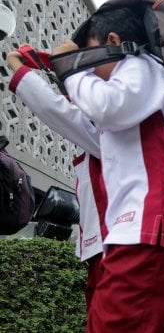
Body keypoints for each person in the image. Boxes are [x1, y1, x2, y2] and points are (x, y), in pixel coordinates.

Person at [43, 7, 164, 332]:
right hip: (162, 231)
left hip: (151, 227)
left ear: (113, 41)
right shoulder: (146, 82)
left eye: (91, 58)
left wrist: (71, 66)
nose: (91, 74)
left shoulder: (139, 64)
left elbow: (106, 106)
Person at [7, 49, 106, 310]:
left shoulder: (109, 130)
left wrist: (19, 68)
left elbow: (58, 110)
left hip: (114, 248)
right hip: (102, 250)